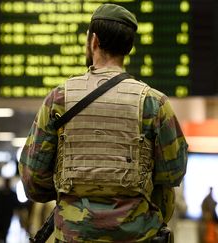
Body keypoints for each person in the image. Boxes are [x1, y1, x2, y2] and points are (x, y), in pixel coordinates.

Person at [19, 3, 188, 242]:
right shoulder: (154, 102)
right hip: (138, 236)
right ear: (128, 47)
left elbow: (31, 178)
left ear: (94, 40)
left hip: (73, 235)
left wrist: (69, 191)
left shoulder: (58, 99)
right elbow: (174, 172)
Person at [0, 178, 19, 242]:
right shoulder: (8, 194)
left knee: (2, 234)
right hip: (1, 217)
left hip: (4, 217)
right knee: (0, 234)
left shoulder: (5, 193)